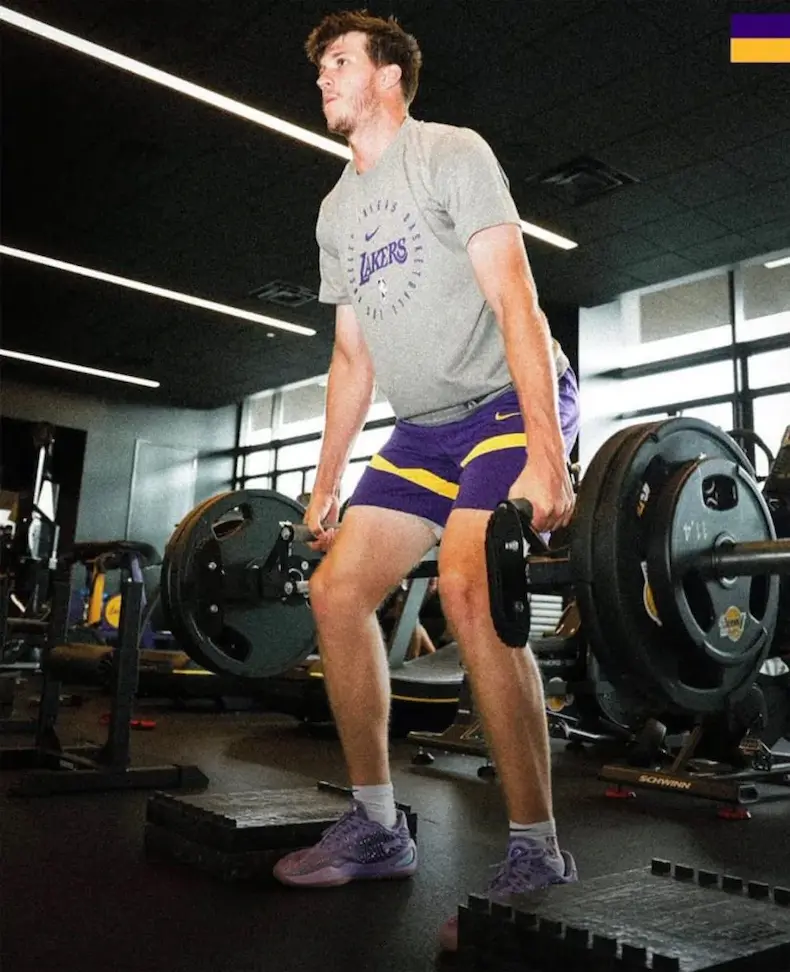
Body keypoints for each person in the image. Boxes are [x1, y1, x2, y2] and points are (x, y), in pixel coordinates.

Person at [273, 10, 581, 952]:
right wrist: (324, 490)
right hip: (422, 429)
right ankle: (375, 825)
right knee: (335, 593)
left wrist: (547, 451)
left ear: (389, 76)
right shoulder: (335, 210)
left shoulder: (450, 152)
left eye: (338, 62)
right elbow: (351, 362)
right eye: (320, 65)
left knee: (465, 580)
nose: (322, 78)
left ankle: (538, 850)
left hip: (504, 403)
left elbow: (514, 297)